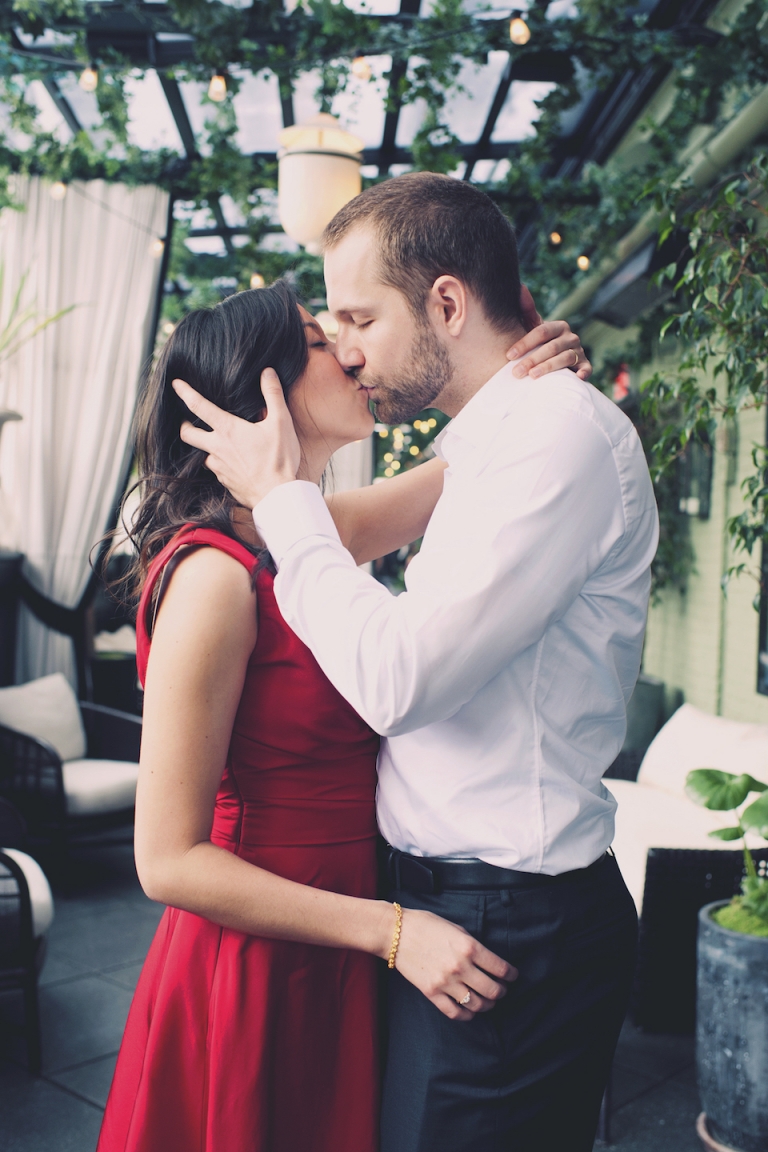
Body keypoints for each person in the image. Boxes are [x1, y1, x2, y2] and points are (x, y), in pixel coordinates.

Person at [175, 172, 660, 1152]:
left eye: (355, 317)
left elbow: (397, 683)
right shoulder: (496, 444)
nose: (347, 348)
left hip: (502, 920)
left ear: (445, 302)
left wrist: (282, 498)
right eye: (325, 332)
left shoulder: (549, 438)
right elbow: (330, 530)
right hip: (406, 910)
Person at [96, 275, 581, 1152]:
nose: (352, 353)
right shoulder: (213, 579)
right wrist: (393, 931)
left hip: (353, 942)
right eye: (323, 341)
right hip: (263, 959)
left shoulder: (311, 532)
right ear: (263, 390)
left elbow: (473, 465)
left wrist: (527, 373)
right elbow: (165, 861)